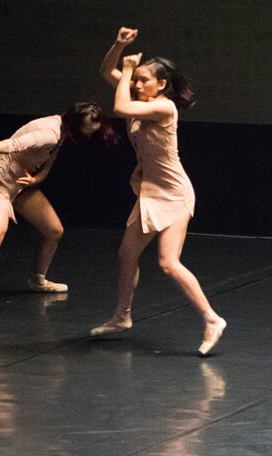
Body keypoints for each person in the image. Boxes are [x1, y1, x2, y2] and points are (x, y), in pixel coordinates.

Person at [89, 27, 226, 356]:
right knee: (127, 254)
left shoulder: (164, 108)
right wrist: (119, 45)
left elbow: (120, 107)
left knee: (167, 262)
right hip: (150, 192)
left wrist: (126, 71)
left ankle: (212, 319)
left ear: (161, 84)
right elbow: (106, 71)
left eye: (143, 80)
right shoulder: (139, 98)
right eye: (135, 80)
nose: (136, 85)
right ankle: (122, 316)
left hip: (175, 194)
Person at [0, 101, 113, 319]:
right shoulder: (49, 133)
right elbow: (13, 144)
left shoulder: (62, 131)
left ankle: (38, 280)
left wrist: (35, 179)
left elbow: (48, 163)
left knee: (54, 230)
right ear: (76, 124)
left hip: (21, 186)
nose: (89, 135)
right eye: (88, 130)